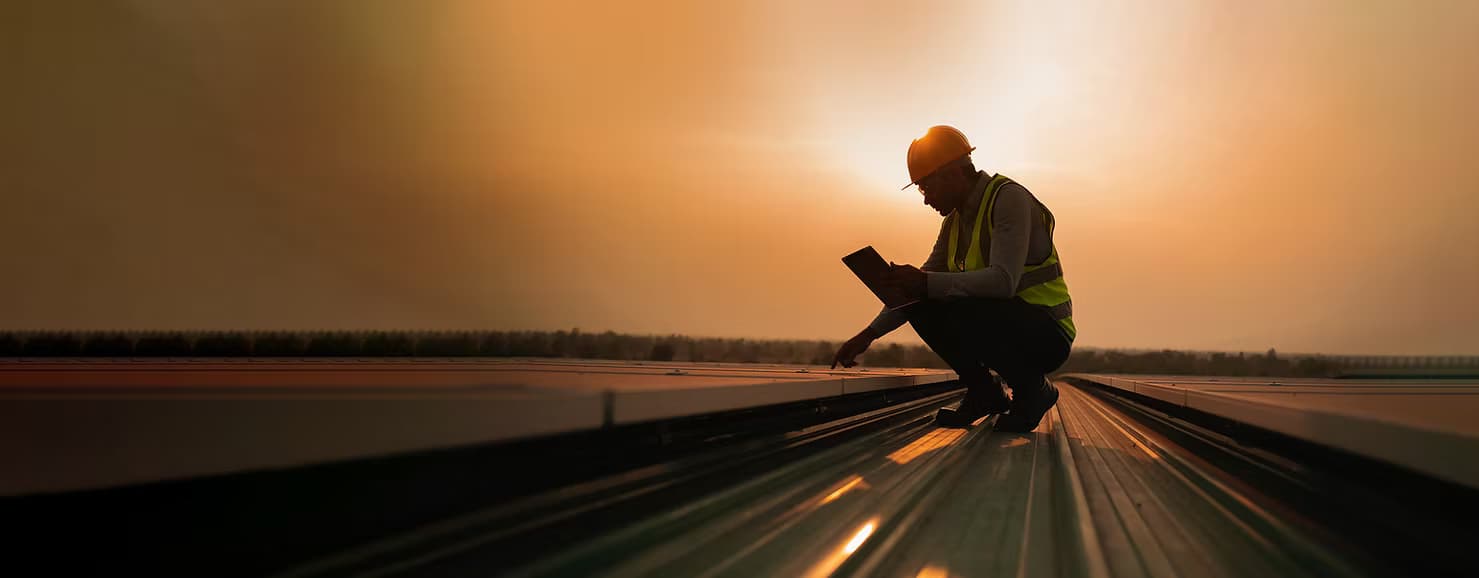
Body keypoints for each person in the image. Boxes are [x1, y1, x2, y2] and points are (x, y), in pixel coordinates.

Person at [831, 125, 1075, 432]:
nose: (925, 200)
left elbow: (1003, 282)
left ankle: (1033, 391)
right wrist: (869, 334)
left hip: (1047, 333)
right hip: (1008, 324)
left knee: (935, 295)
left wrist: (926, 283)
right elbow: (920, 287)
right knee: (920, 301)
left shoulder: (1007, 199)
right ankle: (984, 393)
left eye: (926, 187)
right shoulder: (955, 222)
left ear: (952, 173)